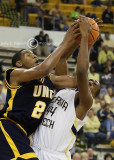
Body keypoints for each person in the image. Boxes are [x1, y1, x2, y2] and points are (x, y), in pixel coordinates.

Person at [0, 21, 80, 160]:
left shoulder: (50, 80)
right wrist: (64, 42)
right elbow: (43, 69)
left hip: (23, 134)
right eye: (28, 55)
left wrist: (82, 40)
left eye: (34, 54)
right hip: (8, 126)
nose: (35, 56)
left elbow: (78, 81)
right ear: (19, 63)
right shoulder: (14, 74)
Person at [32, 16, 101, 160]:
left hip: (54, 156)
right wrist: (79, 37)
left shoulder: (85, 102)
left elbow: (81, 72)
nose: (92, 82)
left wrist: (85, 39)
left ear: (93, 96)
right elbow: (62, 58)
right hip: (34, 149)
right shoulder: (63, 90)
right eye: (92, 80)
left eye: (95, 84)